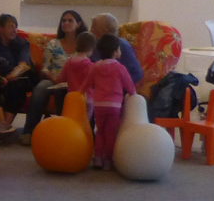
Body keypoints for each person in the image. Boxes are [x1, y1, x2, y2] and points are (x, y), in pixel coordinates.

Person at [22, 9, 84, 144]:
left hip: (74, 82)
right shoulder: (54, 43)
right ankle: (28, 132)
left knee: (62, 92)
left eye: (70, 20)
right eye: (63, 21)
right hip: (53, 79)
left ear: (78, 24)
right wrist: (55, 79)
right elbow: (45, 69)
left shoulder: (83, 45)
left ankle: (66, 133)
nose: (66, 23)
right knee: (40, 89)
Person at [87, 34, 137, 169]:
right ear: (115, 52)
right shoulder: (120, 67)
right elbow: (130, 86)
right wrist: (134, 95)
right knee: (110, 133)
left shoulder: (95, 66)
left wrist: (82, 91)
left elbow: (88, 83)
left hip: (98, 104)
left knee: (100, 131)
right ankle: (108, 160)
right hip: (114, 105)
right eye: (119, 49)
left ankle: (98, 159)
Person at [89, 13, 143, 85]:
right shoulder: (93, 45)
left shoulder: (122, 46)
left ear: (104, 31)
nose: (90, 30)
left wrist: (118, 85)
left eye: (93, 26)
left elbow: (136, 73)